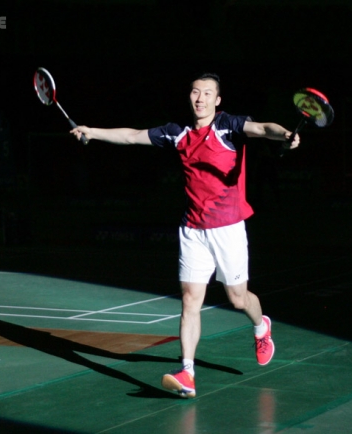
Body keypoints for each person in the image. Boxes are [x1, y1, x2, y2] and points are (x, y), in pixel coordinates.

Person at [71, 73, 300, 398]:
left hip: (228, 228)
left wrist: (285, 135)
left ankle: (261, 326)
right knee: (191, 300)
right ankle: (187, 373)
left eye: (207, 93)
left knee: (237, 299)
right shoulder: (176, 133)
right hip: (192, 230)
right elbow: (132, 136)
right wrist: (92, 132)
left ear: (217, 100)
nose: (200, 98)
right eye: (195, 92)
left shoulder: (228, 126)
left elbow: (263, 129)